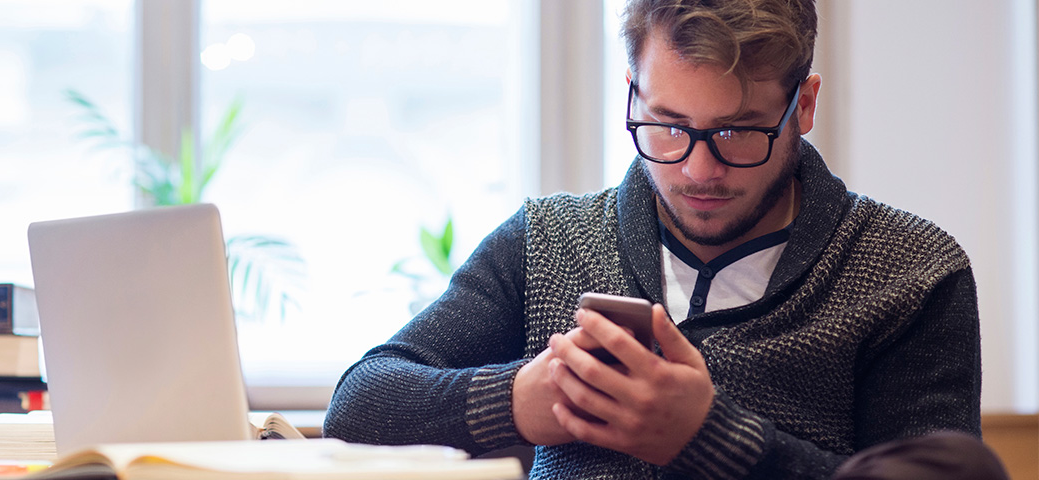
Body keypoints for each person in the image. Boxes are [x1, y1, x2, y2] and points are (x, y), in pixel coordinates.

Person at [323, 0, 1000, 478]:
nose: (697, 170)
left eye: (739, 131)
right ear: (631, 95)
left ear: (805, 105)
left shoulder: (910, 274)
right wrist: (523, 402)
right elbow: (360, 407)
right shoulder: (548, 241)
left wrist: (711, 440)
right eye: (667, 125)